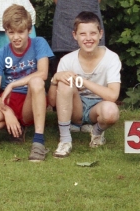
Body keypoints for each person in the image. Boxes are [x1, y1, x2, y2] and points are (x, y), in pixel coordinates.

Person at [0, 5, 54, 162]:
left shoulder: (39, 43)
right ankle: (15, 126)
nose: (16, 37)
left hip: (31, 99)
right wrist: (7, 112)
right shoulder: (1, 53)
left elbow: (43, 73)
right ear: (6, 32)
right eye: (11, 32)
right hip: (10, 101)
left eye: (20, 32)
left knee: (37, 81)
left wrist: (13, 84)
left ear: (29, 30)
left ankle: (38, 142)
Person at [48, 11, 121, 158]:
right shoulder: (67, 60)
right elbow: (52, 102)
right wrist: (55, 79)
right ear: (75, 35)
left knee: (111, 111)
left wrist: (83, 81)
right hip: (76, 108)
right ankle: (65, 140)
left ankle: (97, 132)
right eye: (83, 34)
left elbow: (113, 95)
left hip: (97, 108)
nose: (88, 38)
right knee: (64, 82)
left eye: (93, 33)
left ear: (100, 34)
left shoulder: (111, 58)